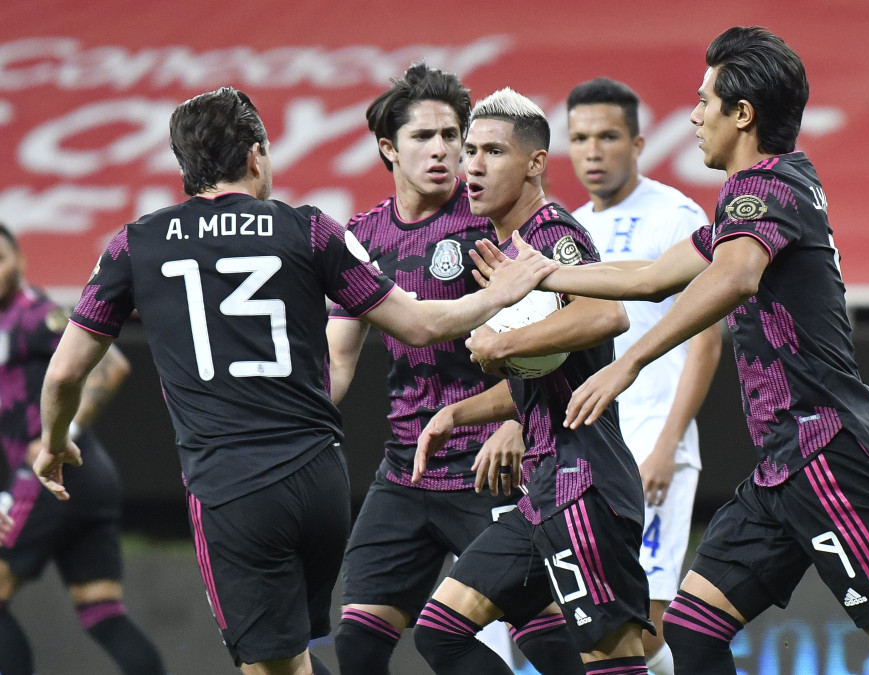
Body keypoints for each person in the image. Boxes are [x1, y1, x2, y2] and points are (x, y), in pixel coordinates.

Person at [476, 26, 869, 675]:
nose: (694, 116)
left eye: (704, 101)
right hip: (782, 467)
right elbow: (653, 276)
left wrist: (629, 361)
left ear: (742, 114)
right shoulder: (758, 200)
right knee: (691, 629)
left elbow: (733, 279)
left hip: (826, 453)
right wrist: (544, 273)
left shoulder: (765, 187)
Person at [31, 86, 555, 675]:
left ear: (184, 166)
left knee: (270, 666)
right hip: (320, 480)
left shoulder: (135, 243)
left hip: (232, 485)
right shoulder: (310, 229)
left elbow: (65, 372)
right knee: (303, 656)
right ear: (256, 155)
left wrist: (54, 440)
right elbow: (419, 325)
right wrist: (498, 293)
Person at [327, 62, 584, 675]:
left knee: (547, 643)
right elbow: (336, 361)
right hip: (406, 471)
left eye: (453, 136)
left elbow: (562, 341)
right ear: (388, 148)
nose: (443, 150)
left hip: (490, 467)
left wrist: (518, 422)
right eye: (423, 136)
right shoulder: (361, 237)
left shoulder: (491, 221)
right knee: (357, 645)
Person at [410, 87, 652, 675]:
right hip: (543, 489)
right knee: (440, 632)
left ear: (535, 163)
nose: (472, 166)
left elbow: (607, 314)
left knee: (615, 665)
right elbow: (539, 380)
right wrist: (455, 414)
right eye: (470, 151)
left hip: (584, 483)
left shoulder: (551, 234)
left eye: (493, 152)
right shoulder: (505, 251)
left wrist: (502, 342)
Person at [565, 77, 723, 675]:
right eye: (580, 138)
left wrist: (667, 445)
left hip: (654, 442)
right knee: (594, 618)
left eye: (608, 137)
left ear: (636, 143)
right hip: (592, 446)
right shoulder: (569, 227)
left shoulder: (674, 216)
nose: (593, 151)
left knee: (647, 619)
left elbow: (707, 341)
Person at [0, 223, 167, 675]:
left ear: (21, 261)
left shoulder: (35, 315)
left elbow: (110, 364)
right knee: (102, 612)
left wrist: (58, 435)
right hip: (87, 480)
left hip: (52, 473)